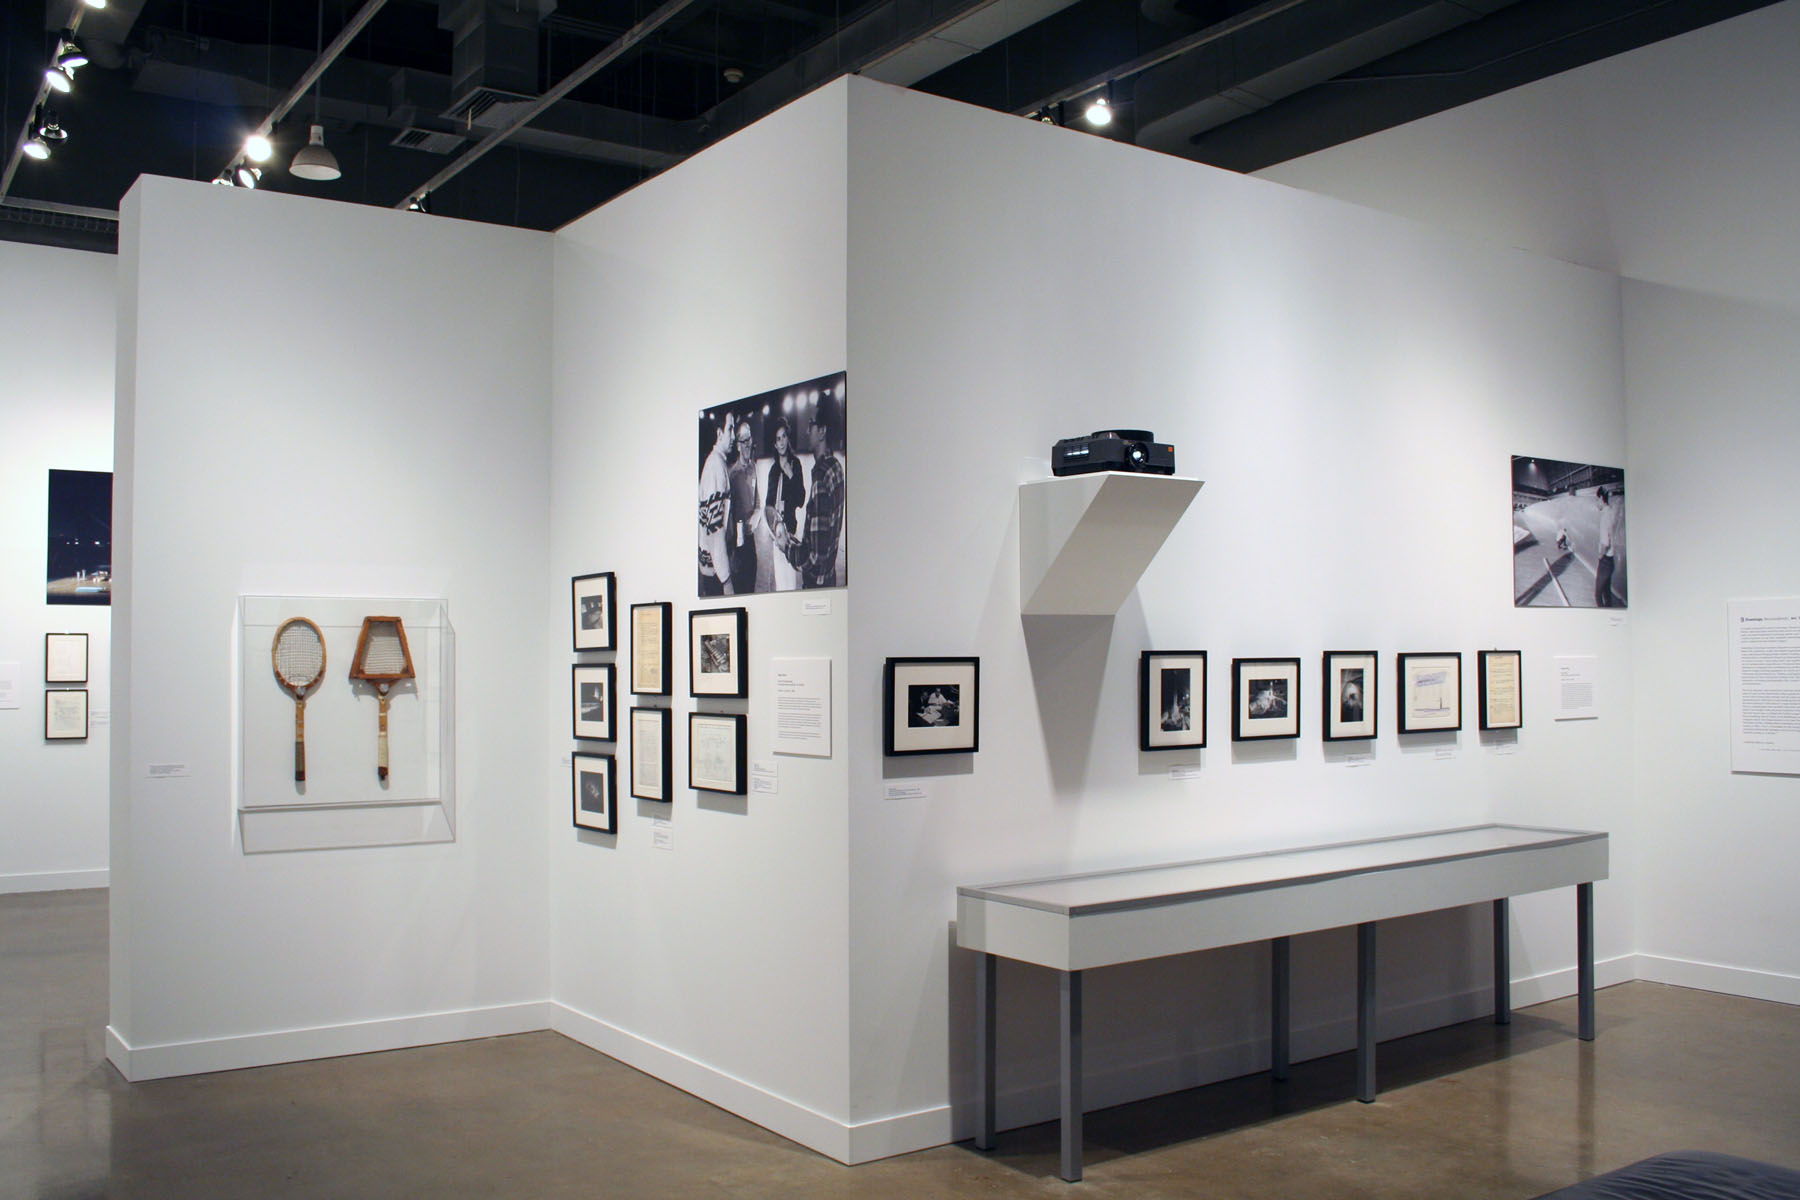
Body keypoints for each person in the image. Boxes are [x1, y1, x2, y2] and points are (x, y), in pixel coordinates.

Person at [799, 396, 844, 589]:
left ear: (822, 431)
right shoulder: (836, 467)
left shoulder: (821, 476)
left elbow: (814, 558)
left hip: (816, 584)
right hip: (830, 576)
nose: (807, 431)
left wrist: (787, 547)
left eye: (811, 425)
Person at [762, 417, 806, 592]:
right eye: (777, 439)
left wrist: (790, 474)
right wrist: (776, 527)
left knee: (792, 584)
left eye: (784, 437)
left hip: (792, 533)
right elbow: (768, 506)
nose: (781, 442)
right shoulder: (773, 471)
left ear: (788, 438)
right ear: (774, 444)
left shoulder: (796, 465)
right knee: (782, 585)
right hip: (779, 536)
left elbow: (801, 500)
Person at [698, 414, 735, 595]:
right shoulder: (715, 467)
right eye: (730, 429)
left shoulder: (718, 462)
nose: (733, 436)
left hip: (715, 569)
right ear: (720, 433)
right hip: (715, 575)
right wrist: (726, 579)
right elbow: (715, 530)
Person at [728, 418, 759, 594]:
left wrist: (757, 514)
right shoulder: (733, 475)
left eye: (750, 439)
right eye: (744, 440)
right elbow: (729, 518)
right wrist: (733, 550)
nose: (748, 444)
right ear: (738, 446)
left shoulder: (753, 467)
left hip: (750, 539)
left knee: (751, 586)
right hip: (738, 543)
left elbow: (757, 500)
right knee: (741, 590)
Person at [1594, 486, 1622, 606]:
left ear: (1601, 498)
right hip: (1611, 560)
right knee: (1607, 593)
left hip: (1605, 561)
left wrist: (1600, 556)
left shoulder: (1605, 516)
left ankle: (1602, 614)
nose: (1596, 503)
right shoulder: (1611, 513)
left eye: (1597, 500)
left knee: (1598, 594)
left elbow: (1605, 543)